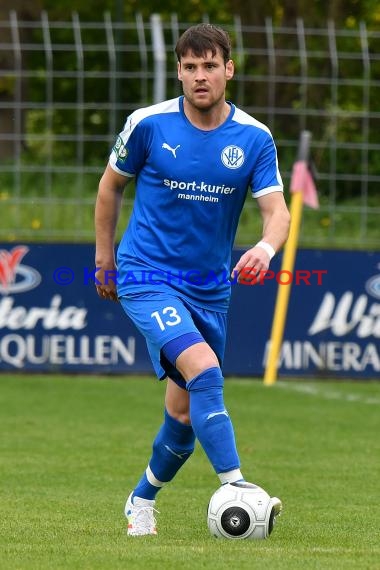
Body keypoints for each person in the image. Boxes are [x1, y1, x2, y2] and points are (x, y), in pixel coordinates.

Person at [94, 23, 290, 537]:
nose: (199, 76)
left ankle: (141, 499)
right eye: (189, 67)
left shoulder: (253, 137)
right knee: (204, 370)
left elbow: (277, 211)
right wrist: (104, 259)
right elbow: (111, 187)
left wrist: (266, 249)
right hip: (145, 274)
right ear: (178, 71)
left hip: (210, 289)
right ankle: (239, 487)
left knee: (182, 421)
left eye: (209, 66)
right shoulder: (148, 124)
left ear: (229, 69)